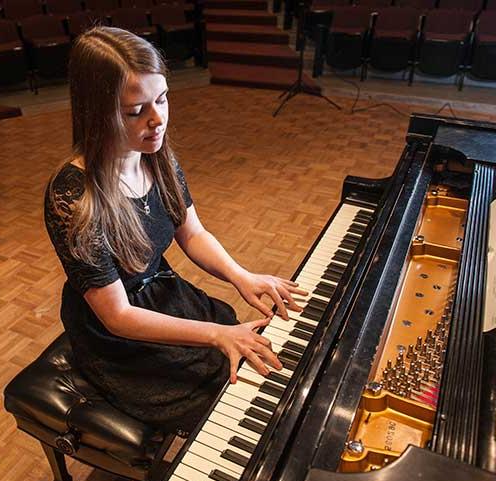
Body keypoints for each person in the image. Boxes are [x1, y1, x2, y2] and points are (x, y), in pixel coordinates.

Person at [44, 26, 307, 434]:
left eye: (162, 99)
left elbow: (192, 233)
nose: (158, 119)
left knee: (235, 344)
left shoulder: (157, 156)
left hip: (158, 291)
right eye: (136, 111)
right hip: (117, 329)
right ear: (97, 112)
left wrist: (242, 276)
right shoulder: (73, 198)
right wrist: (217, 334)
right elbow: (118, 316)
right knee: (213, 387)